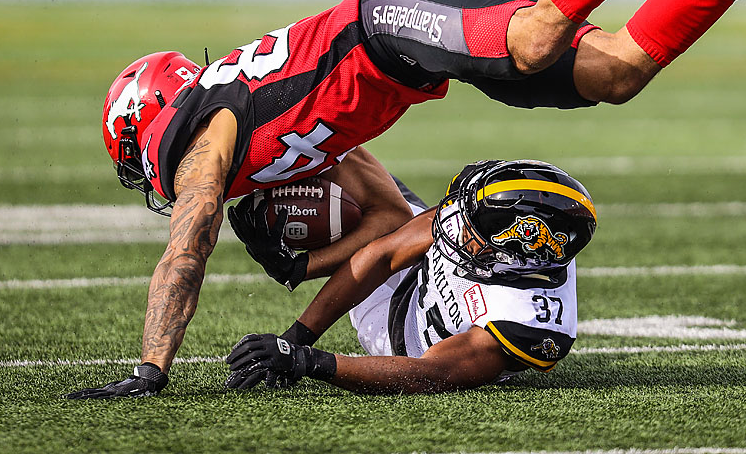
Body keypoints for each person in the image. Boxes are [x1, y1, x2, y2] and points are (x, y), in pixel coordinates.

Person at [66, 0, 746, 398]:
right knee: (615, 74)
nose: (154, 181)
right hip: (419, 47)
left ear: (146, 123)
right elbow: (388, 224)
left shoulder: (198, 140)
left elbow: (188, 241)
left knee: (538, 37)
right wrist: (299, 319)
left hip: (391, 21)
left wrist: (150, 367)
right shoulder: (267, 139)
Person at [225, 160, 597, 393]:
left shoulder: (527, 322)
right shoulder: (484, 220)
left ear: (519, 256)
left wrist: (307, 360)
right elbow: (384, 254)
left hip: (399, 331)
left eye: (474, 234)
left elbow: (427, 374)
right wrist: (296, 333)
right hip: (418, 281)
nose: (457, 229)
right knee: (343, 163)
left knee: (347, 213)